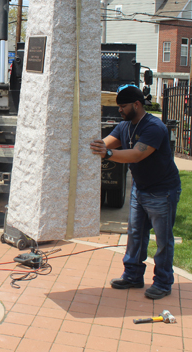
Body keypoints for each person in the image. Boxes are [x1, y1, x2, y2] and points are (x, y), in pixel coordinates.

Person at [90, 85, 181, 300]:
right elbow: (104, 144)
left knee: (162, 240)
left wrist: (108, 153)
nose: (119, 110)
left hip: (162, 191)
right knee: (135, 235)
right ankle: (132, 276)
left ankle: (163, 282)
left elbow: (136, 155)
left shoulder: (154, 127)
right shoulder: (124, 126)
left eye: (123, 106)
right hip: (140, 190)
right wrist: (91, 146)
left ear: (137, 104)